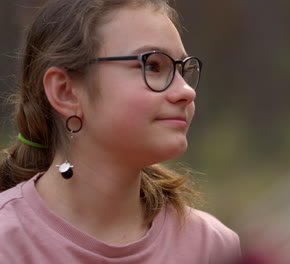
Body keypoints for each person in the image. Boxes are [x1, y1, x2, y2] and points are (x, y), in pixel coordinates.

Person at [0, 0, 241, 263]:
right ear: (65, 92)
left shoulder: (212, 246)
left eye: (184, 70)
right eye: (152, 66)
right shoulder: (8, 243)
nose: (186, 91)